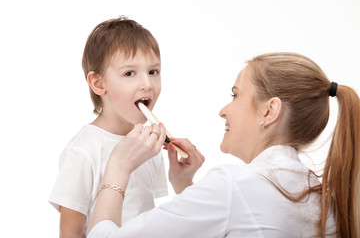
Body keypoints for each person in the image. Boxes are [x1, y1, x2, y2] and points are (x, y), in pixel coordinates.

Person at [87, 52, 360, 238]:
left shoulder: (235, 185)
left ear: (270, 111)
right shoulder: (323, 198)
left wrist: (118, 167)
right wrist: (185, 187)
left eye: (235, 94)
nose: (223, 110)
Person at [49, 16, 171, 238]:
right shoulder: (83, 151)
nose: (147, 84)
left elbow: (148, 218)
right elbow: (70, 233)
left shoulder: (149, 145)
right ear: (98, 83)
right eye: (129, 73)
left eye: (153, 71)